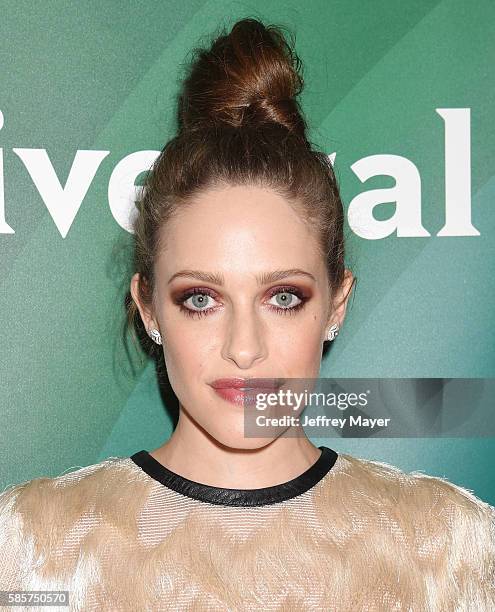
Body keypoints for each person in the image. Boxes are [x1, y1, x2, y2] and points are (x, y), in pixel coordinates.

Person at [1, 17, 494, 611]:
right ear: (149, 308)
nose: (244, 346)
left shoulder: (448, 550)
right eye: (200, 299)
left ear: (336, 305)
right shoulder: (35, 545)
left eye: (283, 297)